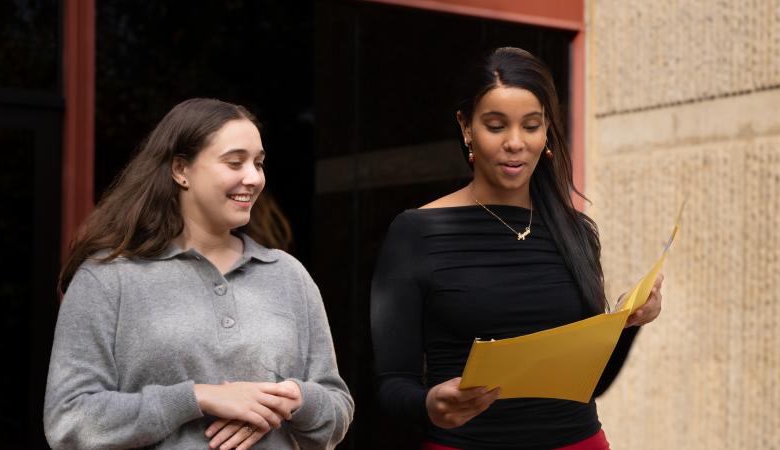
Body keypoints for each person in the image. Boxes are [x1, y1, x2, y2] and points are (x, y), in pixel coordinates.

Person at [370, 47, 664, 450]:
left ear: (546, 133)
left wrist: (628, 324)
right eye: (495, 126)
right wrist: (428, 403)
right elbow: (391, 385)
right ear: (466, 127)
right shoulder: (415, 233)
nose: (515, 143)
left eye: (531, 126)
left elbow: (590, 384)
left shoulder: (574, 230)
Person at [44, 98, 354, 450]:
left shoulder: (288, 275)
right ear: (181, 170)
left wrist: (294, 400)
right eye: (235, 162)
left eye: (259, 163)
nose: (253, 178)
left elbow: (337, 410)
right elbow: (68, 419)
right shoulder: (108, 278)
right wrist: (196, 398)